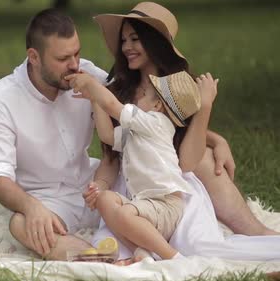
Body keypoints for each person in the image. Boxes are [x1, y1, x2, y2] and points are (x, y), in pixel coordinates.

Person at [87, 2, 280, 261]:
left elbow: (183, 152)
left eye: (135, 39)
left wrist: (206, 111)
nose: (127, 48)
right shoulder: (117, 90)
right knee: (110, 247)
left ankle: (257, 233)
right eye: (124, 40)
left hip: (168, 182)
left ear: (155, 42)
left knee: (201, 246)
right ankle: (151, 251)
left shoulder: (176, 89)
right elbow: (110, 150)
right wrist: (99, 185)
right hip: (132, 182)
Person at [0, 8, 118, 260]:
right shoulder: (1, 101)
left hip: (96, 184)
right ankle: (99, 258)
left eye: (77, 53)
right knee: (21, 224)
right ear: (34, 56)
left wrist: (212, 139)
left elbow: (140, 116)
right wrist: (31, 207)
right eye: (63, 58)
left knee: (163, 180)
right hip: (48, 200)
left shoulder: (89, 76)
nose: (74, 64)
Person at [67, 69, 215, 260]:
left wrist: (92, 85)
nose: (137, 98)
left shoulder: (156, 123)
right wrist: (94, 100)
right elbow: (108, 136)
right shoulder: (139, 131)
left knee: (125, 214)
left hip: (164, 205)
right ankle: (141, 251)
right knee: (105, 200)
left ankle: (172, 257)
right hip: (146, 205)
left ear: (157, 105)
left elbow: (112, 105)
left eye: (144, 95)